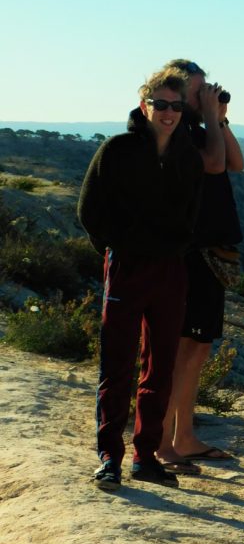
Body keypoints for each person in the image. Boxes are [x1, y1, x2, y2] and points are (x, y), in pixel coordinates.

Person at [78, 67, 205, 491]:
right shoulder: (117, 150)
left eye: (176, 106)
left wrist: (175, 247)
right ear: (143, 104)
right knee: (117, 365)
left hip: (170, 270)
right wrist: (118, 249)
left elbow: (193, 212)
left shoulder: (188, 156)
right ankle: (109, 458)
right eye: (161, 105)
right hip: (128, 267)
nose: (169, 113)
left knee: (160, 366)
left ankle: (145, 456)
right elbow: (89, 210)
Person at [156, 59, 244, 474]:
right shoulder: (176, 132)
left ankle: (183, 436)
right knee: (181, 348)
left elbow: (236, 163)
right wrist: (209, 117)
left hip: (210, 251)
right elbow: (213, 164)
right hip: (192, 252)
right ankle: (162, 440)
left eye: (204, 89)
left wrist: (220, 121)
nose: (203, 96)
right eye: (197, 92)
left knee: (198, 347)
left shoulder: (200, 128)